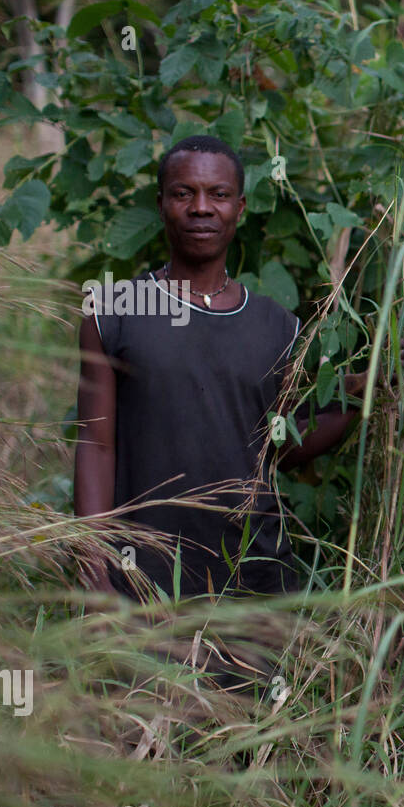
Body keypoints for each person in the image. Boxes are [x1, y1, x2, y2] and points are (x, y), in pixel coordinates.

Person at [74, 134, 359, 604]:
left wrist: (356, 404)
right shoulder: (115, 309)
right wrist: (93, 563)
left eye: (219, 195)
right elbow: (95, 444)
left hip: (253, 580)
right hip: (142, 582)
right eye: (184, 193)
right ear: (161, 203)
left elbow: (280, 447)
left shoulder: (277, 325)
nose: (201, 208)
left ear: (240, 207)